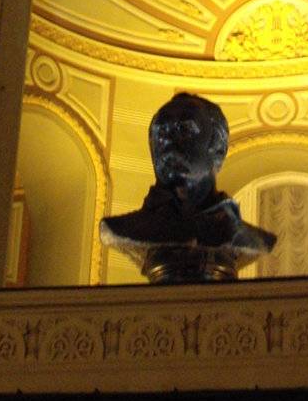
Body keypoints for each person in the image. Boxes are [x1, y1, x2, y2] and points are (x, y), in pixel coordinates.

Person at [100, 92, 274, 282]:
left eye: (185, 129)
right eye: (161, 132)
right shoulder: (123, 229)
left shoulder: (248, 238)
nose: (168, 141)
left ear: (218, 148)